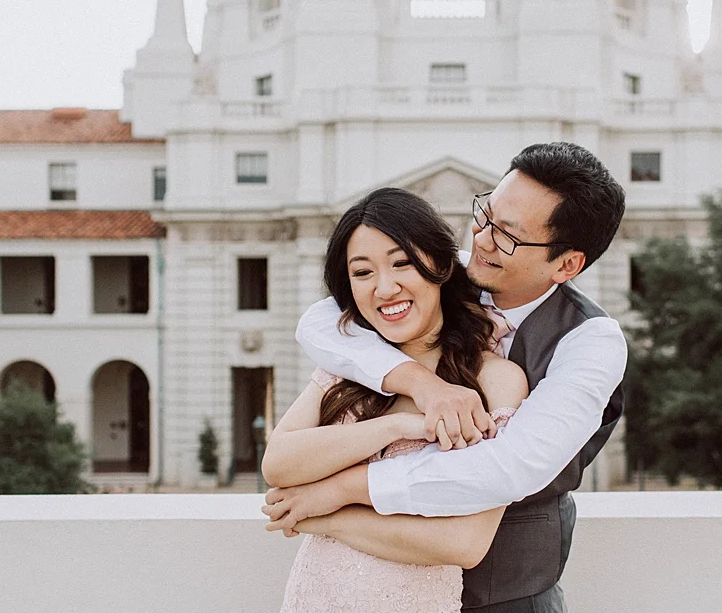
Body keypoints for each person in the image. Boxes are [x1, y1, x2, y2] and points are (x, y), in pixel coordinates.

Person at [264, 142, 628, 612]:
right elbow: (322, 320)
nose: (481, 239)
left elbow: (507, 469)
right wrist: (421, 384)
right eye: (485, 214)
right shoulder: (442, 273)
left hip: (509, 598)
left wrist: (338, 493)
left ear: (567, 264)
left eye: (508, 236)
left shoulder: (590, 342)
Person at [263, 187, 529, 613]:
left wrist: (326, 510)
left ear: (440, 265)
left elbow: (464, 542)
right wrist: (400, 425)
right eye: (363, 273)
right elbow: (278, 462)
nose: (385, 288)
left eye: (402, 263)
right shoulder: (348, 364)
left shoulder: (495, 381)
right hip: (313, 599)